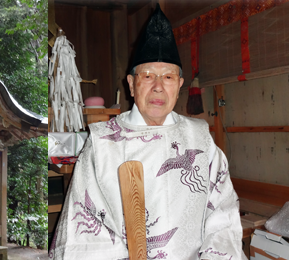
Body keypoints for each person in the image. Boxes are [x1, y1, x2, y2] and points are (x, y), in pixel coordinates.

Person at [49, 4, 246, 260]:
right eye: (148, 76)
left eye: (168, 77)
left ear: (179, 85)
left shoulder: (200, 138)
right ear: (131, 84)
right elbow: (84, 232)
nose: (158, 87)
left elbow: (223, 214)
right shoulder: (102, 142)